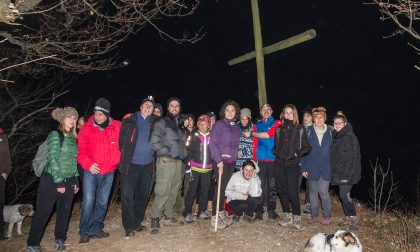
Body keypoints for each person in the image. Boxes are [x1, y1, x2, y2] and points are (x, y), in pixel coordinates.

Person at [26, 107, 79, 251]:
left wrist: (76, 180)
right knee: (43, 211)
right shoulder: (55, 135)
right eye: (69, 117)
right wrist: (59, 181)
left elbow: (73, 161)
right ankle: (32, 244)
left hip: (68, 179)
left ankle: (60, 239)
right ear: (62, 119)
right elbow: (53, 159)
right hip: (51, 179)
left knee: (64, 211)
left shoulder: (73, 138)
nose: (72, 120)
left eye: (74, 118)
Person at [77, 98, 121, 243]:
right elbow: (81, 152)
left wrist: (117, 160)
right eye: (96, 113)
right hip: (91, 171)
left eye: (100, 114)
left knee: (102, 201)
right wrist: (88, 164)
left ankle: (95, 228)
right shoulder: (86, 128)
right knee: (89, 200)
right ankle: (84, 230)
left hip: (109, 171)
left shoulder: (116, 127)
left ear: (107, 114)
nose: (97, 116)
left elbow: (131, 130)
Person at [119, 96, 157, 237]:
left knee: (142, 196)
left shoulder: (155, 122)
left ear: (153, 110)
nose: (148, 107)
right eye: (146, 104)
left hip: (147, 166)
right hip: (130, 165)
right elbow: (120, 142)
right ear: (140, 106)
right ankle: (128, 226)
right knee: (127, 195)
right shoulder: (129, 120)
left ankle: (136, 222)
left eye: (151, 106)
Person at [149, 97, 188, 234]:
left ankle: (169, 216)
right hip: (166, 162)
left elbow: (183, 144)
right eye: (172, 105)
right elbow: (154, 141)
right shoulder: (162, 121)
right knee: (162, 191)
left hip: (178, 163)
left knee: (174, 191)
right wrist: (166, 152)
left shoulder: (180, 125)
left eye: (177, 105)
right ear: (168, 108)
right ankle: (155, 218)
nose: (174, 107)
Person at [272, 104, 311, 230]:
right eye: (286, 113)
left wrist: (296, 153)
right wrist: (275, 151)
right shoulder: (278, 129)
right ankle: (287, 216)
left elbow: (307, 147)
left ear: (294, 115)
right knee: (282, 191)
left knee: (292, 192)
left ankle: (297, 217)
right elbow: (276, 145)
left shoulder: (299, 129)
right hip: (278, 164)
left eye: (291, 113)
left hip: (292, 165)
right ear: (283, 114)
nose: (288, 115)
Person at [209, 100, 241, 229]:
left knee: (225, 189)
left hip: (231, 162)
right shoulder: (219, 125)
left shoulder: (236, 127)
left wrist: (236, 152)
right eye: (227, 110)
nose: (230, 112)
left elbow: (236, 144)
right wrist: (218, 160)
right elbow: (213, 143)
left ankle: (221, 212)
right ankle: (214, 217)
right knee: (220, 189)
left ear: (236, 112)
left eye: (232, 110)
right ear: (224, 111)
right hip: (220, 161)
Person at [300, 107, 333, 225]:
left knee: (323, 192)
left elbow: (335, 150)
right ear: (313, 119)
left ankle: (328, 215)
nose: (319, 119)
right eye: (317, 117)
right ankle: (314, 215)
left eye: (321, 117)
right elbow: (303, 150)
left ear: (325, 118)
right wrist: (303, 167)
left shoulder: (331, 131)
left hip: (326, 168)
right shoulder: (308, 131)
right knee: (313, 193)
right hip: (311, 167)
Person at [250, 104, 282, 220]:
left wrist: (252, 133)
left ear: (272, 111)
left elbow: (270, 135)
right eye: (264, 110)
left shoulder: (278, 123)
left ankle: (271, 209)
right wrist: (253, 160)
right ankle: (259, 210)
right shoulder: (257, 125)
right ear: (260, 112)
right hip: (260, 159)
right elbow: (254, 144)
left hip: (274, 159)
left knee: (272, 186)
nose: (266, 111)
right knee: (260, 185)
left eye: (268, 109)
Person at [330, 111, 361, 230]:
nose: (337, 125)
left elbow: (352, 158)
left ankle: (354, 218)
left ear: (345, 123)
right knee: (343, 195)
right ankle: (348, 217)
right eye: (335, 123)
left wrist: (346, 175)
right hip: (340, 172)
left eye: (340, 123)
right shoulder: (338, 135)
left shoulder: (349, 136)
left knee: (344, 194)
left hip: (348, 174)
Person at [183, 114, 213, 223]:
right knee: (192, 191)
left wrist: (214, 166)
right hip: (195, 168)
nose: (202, 125)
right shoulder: (193, 135)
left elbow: (215, 152)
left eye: (204, 123)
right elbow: (187, 152)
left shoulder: (212, 136)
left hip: (208, 169)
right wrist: (187, 168)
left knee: (205, 191)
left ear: (208, 124)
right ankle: (187, 212)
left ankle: (202, 211)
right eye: (200, 123)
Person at [299, 106, 313, 214]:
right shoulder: (299, 128)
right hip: (298, 159)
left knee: (310, 184)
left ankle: (308, 204)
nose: (305, 118)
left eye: (308, 116)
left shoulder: (315, 129)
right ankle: (294, 202)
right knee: (296, 183)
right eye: (304, 115)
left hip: (310, 160)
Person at [0, 128, 12, 241]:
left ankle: (0, 233)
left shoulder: (3, 136)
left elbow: (7, 156)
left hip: (0, 176)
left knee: (0, 203)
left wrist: (6, 172)